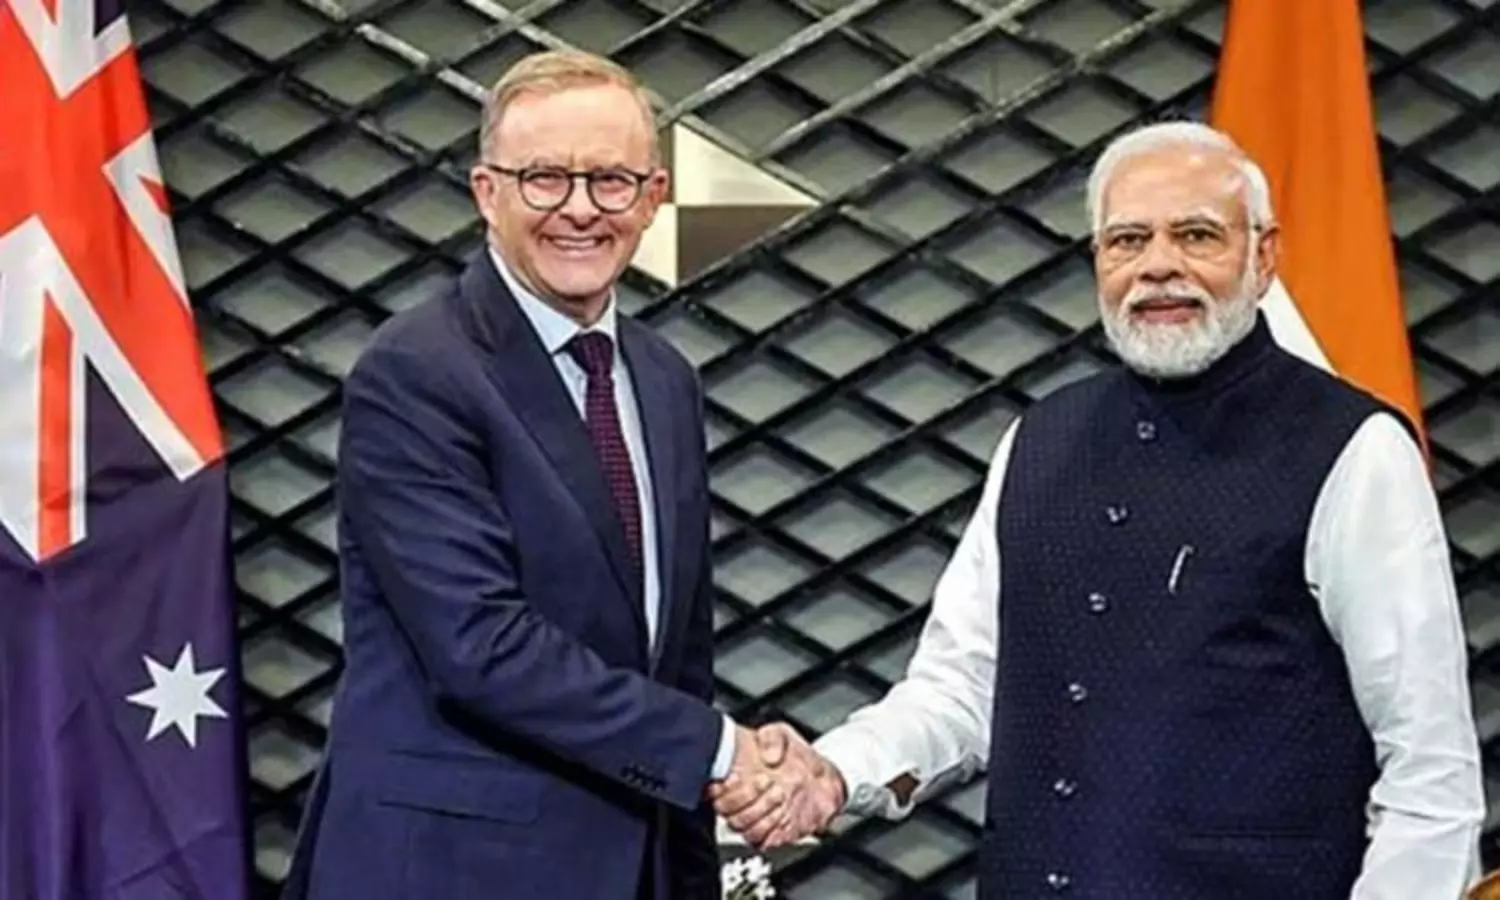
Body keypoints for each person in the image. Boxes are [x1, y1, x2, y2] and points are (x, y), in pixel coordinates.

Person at [712, 121, 1486, 899]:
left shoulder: (1355, 449)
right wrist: (836, 772)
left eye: (1197, 235)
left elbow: (1430, 771)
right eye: (1127, 240)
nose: (1158, 266)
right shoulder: (1039, 439)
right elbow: (962, 689)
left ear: (1264, 258)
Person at [281, 50, 775, 900]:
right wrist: (723, 751)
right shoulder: (416, 371)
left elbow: (678, 656)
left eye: (611, 181)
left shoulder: (664, 379)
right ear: (487, 192)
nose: (580, 209)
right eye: (545, 178)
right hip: (450, 874)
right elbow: (480, 644)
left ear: (653, 197)